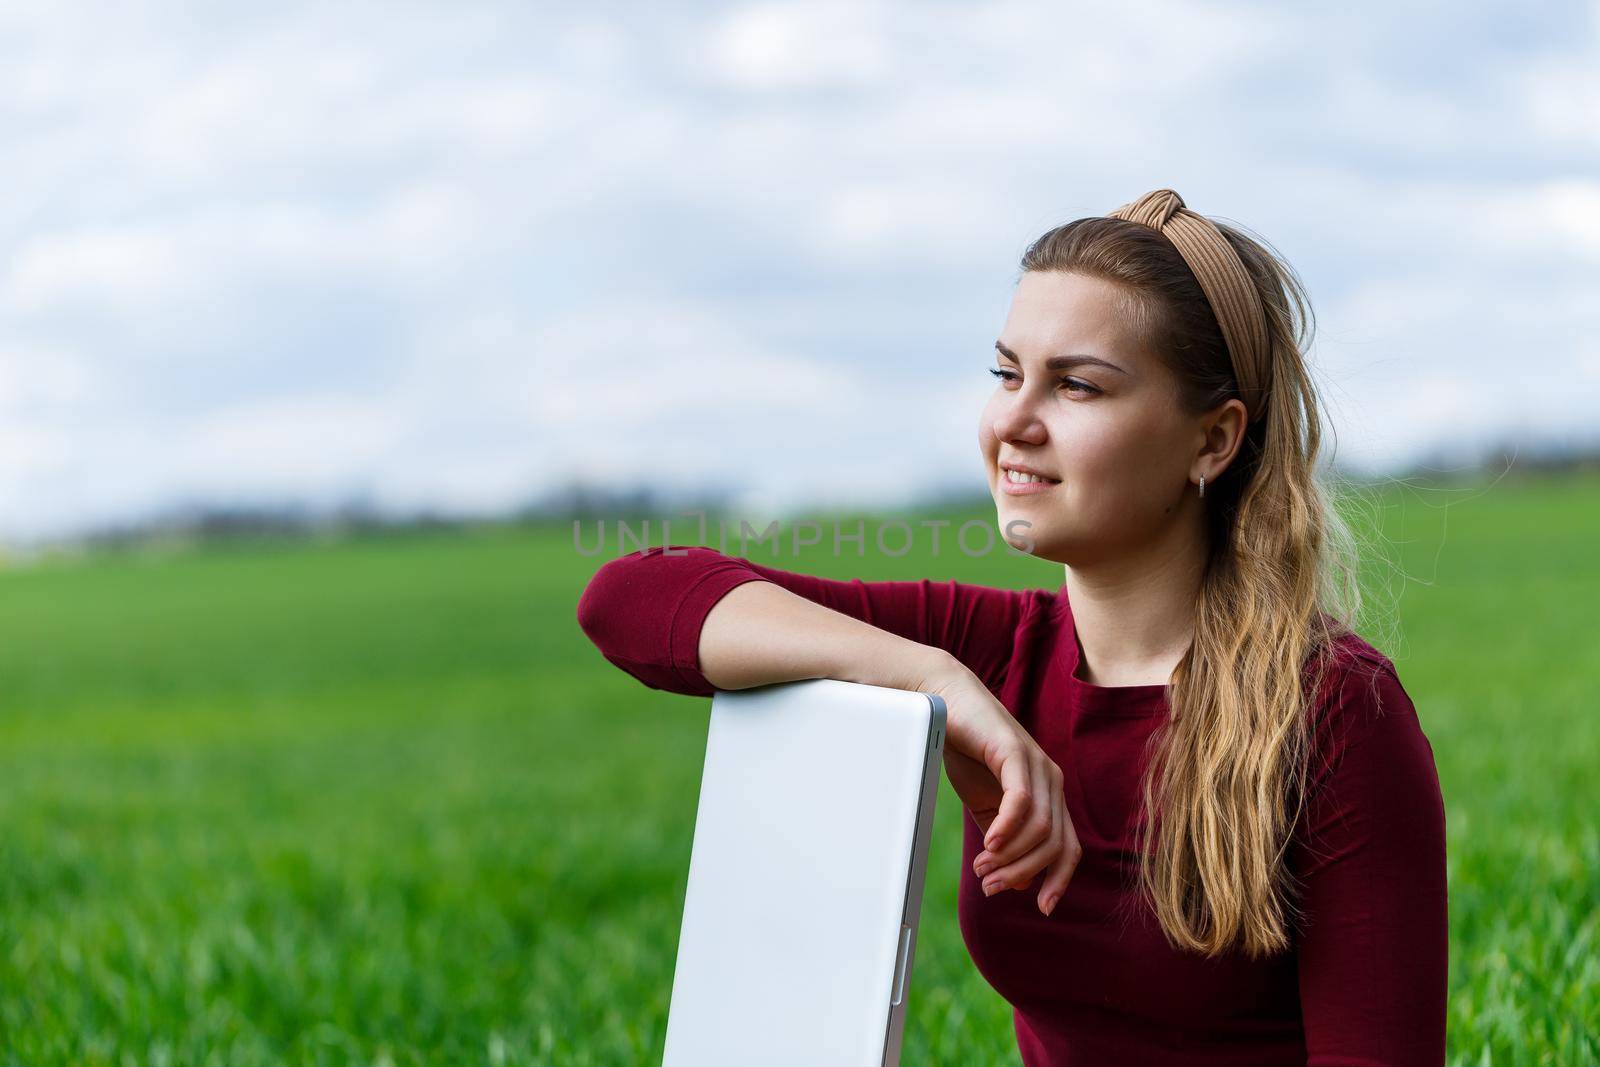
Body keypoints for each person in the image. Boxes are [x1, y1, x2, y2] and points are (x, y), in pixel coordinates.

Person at [574, 189, 1448, 1066]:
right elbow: (629, 602)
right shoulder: (985, 650)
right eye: (1005, 374)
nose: (1013, 424)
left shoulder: (1335, 709)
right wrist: (939, 681)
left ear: (1212, 442)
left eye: (1075, 385)